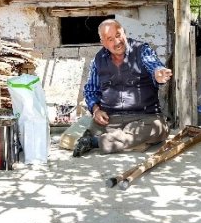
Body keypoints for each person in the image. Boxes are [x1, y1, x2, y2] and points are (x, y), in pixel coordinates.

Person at [72, 19, 173, 157]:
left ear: (124, 32)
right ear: (103, 42)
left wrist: (158, 73)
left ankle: (96, 143)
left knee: (158, 128)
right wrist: (96, 110)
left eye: (118, 35)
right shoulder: (98, 59)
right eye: (110, 39)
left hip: (145, 117)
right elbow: (90, 90)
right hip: (110, 119)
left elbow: (153, 64)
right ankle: (126, 142)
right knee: (92, 127)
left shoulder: (142, 50)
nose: (117, 42)